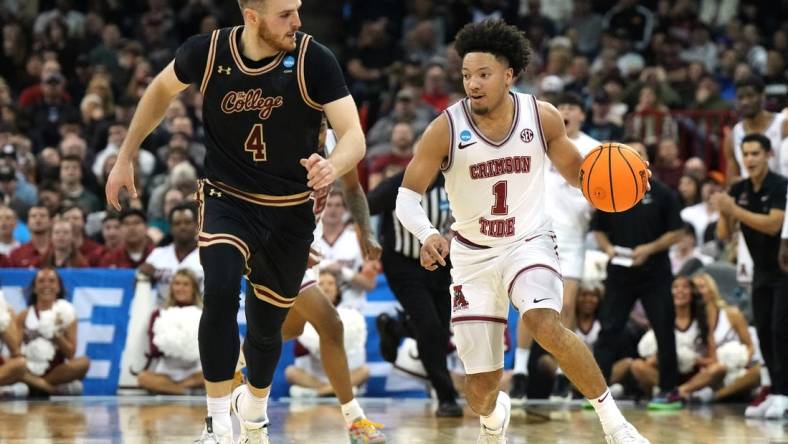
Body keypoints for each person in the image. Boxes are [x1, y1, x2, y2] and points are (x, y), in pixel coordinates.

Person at [104, 1, 366, 442]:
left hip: (289, 211)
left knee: (266, 333)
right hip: (229, 198)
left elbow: (353, 134)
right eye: (285, 13)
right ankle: (216, 422)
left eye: (298, 10)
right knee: (221, 290)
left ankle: (254, 408)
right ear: (252, 16)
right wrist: (125, 155)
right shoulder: (208, 52)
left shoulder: (313, 59)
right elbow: (160, 91)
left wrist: (332, 166)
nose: (297, 22)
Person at [395, 20, 648, 443]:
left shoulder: (541, 116)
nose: (472, 84)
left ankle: (616, 426)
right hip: (472, 257)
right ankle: (494, 418)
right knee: (481, 390)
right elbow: (406, 197)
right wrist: (428, 234)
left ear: (509, 74)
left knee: (544, 323)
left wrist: (627, 181)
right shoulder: (445, 128)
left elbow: (577, 172)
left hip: (527, 241)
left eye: (483, 75)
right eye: (466, 75)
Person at [276, 116, 385, 443]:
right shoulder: (281, 148)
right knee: (330, 324)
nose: (319, 130)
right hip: (274, 248)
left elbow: (352, 188)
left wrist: (365, 230)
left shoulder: (338, 146)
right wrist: (290, 246)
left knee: (290, 328)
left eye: (323, 124)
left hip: (303, 250)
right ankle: (354, 421)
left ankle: (233, 359)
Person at [510, 91, 601, 403]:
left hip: (573, 235)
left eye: (572, 107)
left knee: (567, 307)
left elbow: (604, 193)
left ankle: (565, 375)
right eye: (561, 106)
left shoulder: (594, 149)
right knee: (530, 306)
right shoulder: (537, 141)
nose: (566, 111)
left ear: (582, 115)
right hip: (535, 231)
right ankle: (520, 371)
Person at [591, 140, 684, 411]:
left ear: (647, 161)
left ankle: (669, 390)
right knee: (608, 330)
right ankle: (598, 392)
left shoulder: (664, 193)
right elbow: (598, 228)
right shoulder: (609, 191)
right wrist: (607, 248)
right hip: (620, 273)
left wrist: (650, 249)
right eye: (629, 153)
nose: (634, 157)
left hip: (655, 273)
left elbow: (677, 232)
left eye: (639, 154)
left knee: (664, 330)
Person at [368, 170, 461, 417]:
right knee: (429, 326)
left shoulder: (454, 181)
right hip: (403, 264)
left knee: (441, 330)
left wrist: (453, 236)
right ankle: (446, 397)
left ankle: (396, 328)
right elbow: (365, 206)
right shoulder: (397, 185)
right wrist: (368, 241)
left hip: (441, 263)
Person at [713, 133, 788, 419]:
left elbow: (774, 224)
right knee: (766, 333)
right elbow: (723, 234)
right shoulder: (740, 189)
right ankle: (777, 392)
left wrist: (735, 210)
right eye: (745, 154)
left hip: (784, 271)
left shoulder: (780, 186)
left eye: (756, 153)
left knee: (781, 331)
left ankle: (783, 393)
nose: (750, 159)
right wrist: (724, 212)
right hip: (761, 271)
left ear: (768, 155)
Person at [285, 270, 369, 396]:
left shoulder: (351, 315)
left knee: (364, 371)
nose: (326, 287)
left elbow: (355, 351)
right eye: (321, 283)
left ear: (337, 289)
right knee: (290, 372)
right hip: (314, 377)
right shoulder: (303, 315)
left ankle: (323, 391)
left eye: (330, 283)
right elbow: (299, 352)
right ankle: (332, 390)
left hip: (342, 373)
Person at [630, 276, 714, 401]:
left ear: (692, 292)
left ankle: (680, 392)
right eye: (675, 287)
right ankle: (671, 392)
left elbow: (714, 360)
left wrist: (692, 359)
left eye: (685, 287)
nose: (680, 291)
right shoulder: (660, 322)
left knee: (719, 369)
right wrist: (658, 358)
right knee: (637, 365)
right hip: (665, 375)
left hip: (693, 376)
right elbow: (647, 362)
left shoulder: (702, 322)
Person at [15, 268, 90, 395]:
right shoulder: (24, 315)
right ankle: (48, 389)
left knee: (83, 362)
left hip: (55, 371)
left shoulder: (67, 314)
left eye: (51, 281)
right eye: (41, 281)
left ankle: (38, 385)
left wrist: (55, 334)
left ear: (59, 287)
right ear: (34, 288)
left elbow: (70, 354)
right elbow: (15, 352)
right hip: (29, 368)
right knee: (13, 365)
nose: (46, 285)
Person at [688, 273, 762, 403]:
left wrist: (741, 361)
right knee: (714, 371)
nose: (698, 291)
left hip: (734, 367)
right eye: (694, 288)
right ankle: (721, 393)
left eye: (701, 287)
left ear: (712, 289)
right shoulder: (690, 319)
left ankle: (716, 397)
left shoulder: (731, 314)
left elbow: (749, 346)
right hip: (707, 372)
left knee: (758, 372)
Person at [137, 269, 205, 395]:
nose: (181, 288)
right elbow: (154, 350)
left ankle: (174, 389)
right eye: (177, 284)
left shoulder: (204, 314)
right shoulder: (158, 314)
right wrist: (176, 345)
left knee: (217, 375)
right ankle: (185, 391)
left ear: (194, 288)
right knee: (143, 378)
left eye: (186, 284)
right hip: (167, 372)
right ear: (171, 287)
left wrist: (189, 347)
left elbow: (209, 348)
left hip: (195, 370)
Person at [723, 75, 788, 183]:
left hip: (782, 194)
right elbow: (732, 181)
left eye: (750, 96)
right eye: (740, 98)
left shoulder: (783, 124)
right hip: (752, 197)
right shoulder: (732, 136)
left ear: (762, 96)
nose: (745, 102)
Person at [139, 203, 202, 305]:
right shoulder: (157, 255)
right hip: (164, 314)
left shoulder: (208, 255)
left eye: (187, 222)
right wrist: (143, 272)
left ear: (196, 225)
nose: (183, 227)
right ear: (171, 228)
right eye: (177, 223)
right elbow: (142, 279)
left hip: (198, 314)